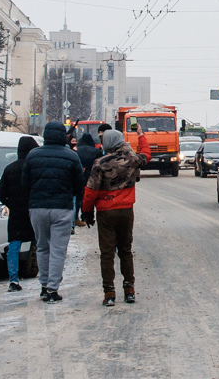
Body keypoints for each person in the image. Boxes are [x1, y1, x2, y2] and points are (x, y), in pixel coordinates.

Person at [81, 129, 149, 306]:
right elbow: (147, 154)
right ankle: (129, 290)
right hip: (126, 211)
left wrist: (87, 212)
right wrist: (141, 135)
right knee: (125, 250)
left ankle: (109, 292)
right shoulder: (133, 159)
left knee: (107, 253)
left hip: (105, 212)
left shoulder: (100, 163)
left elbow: (91, 190)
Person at [22, 122, 84, 304]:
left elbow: (25, 183)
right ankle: (52, 288)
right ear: (63, 136)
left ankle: (43, 285)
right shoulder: (71, 156)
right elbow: (79, 185)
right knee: (58, 249)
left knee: (42, 246)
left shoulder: (32, 155)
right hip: (62, 208)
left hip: (38, 207)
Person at [0, 136, 38, 291]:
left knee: (14, 245)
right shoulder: (34, 168)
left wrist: (12, 204)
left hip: (16, 213)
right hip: (34, 210)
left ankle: (13, 280)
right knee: (39, 243)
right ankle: (45, 280)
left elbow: (1, 193)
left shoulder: (10, 168)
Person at [74, 134, 102, 226]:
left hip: (79, 176)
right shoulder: (96, 151)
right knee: (89, 197)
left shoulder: (76, 151)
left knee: (78, 197)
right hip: (92, 177)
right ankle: (86, 216)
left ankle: (76, 217)